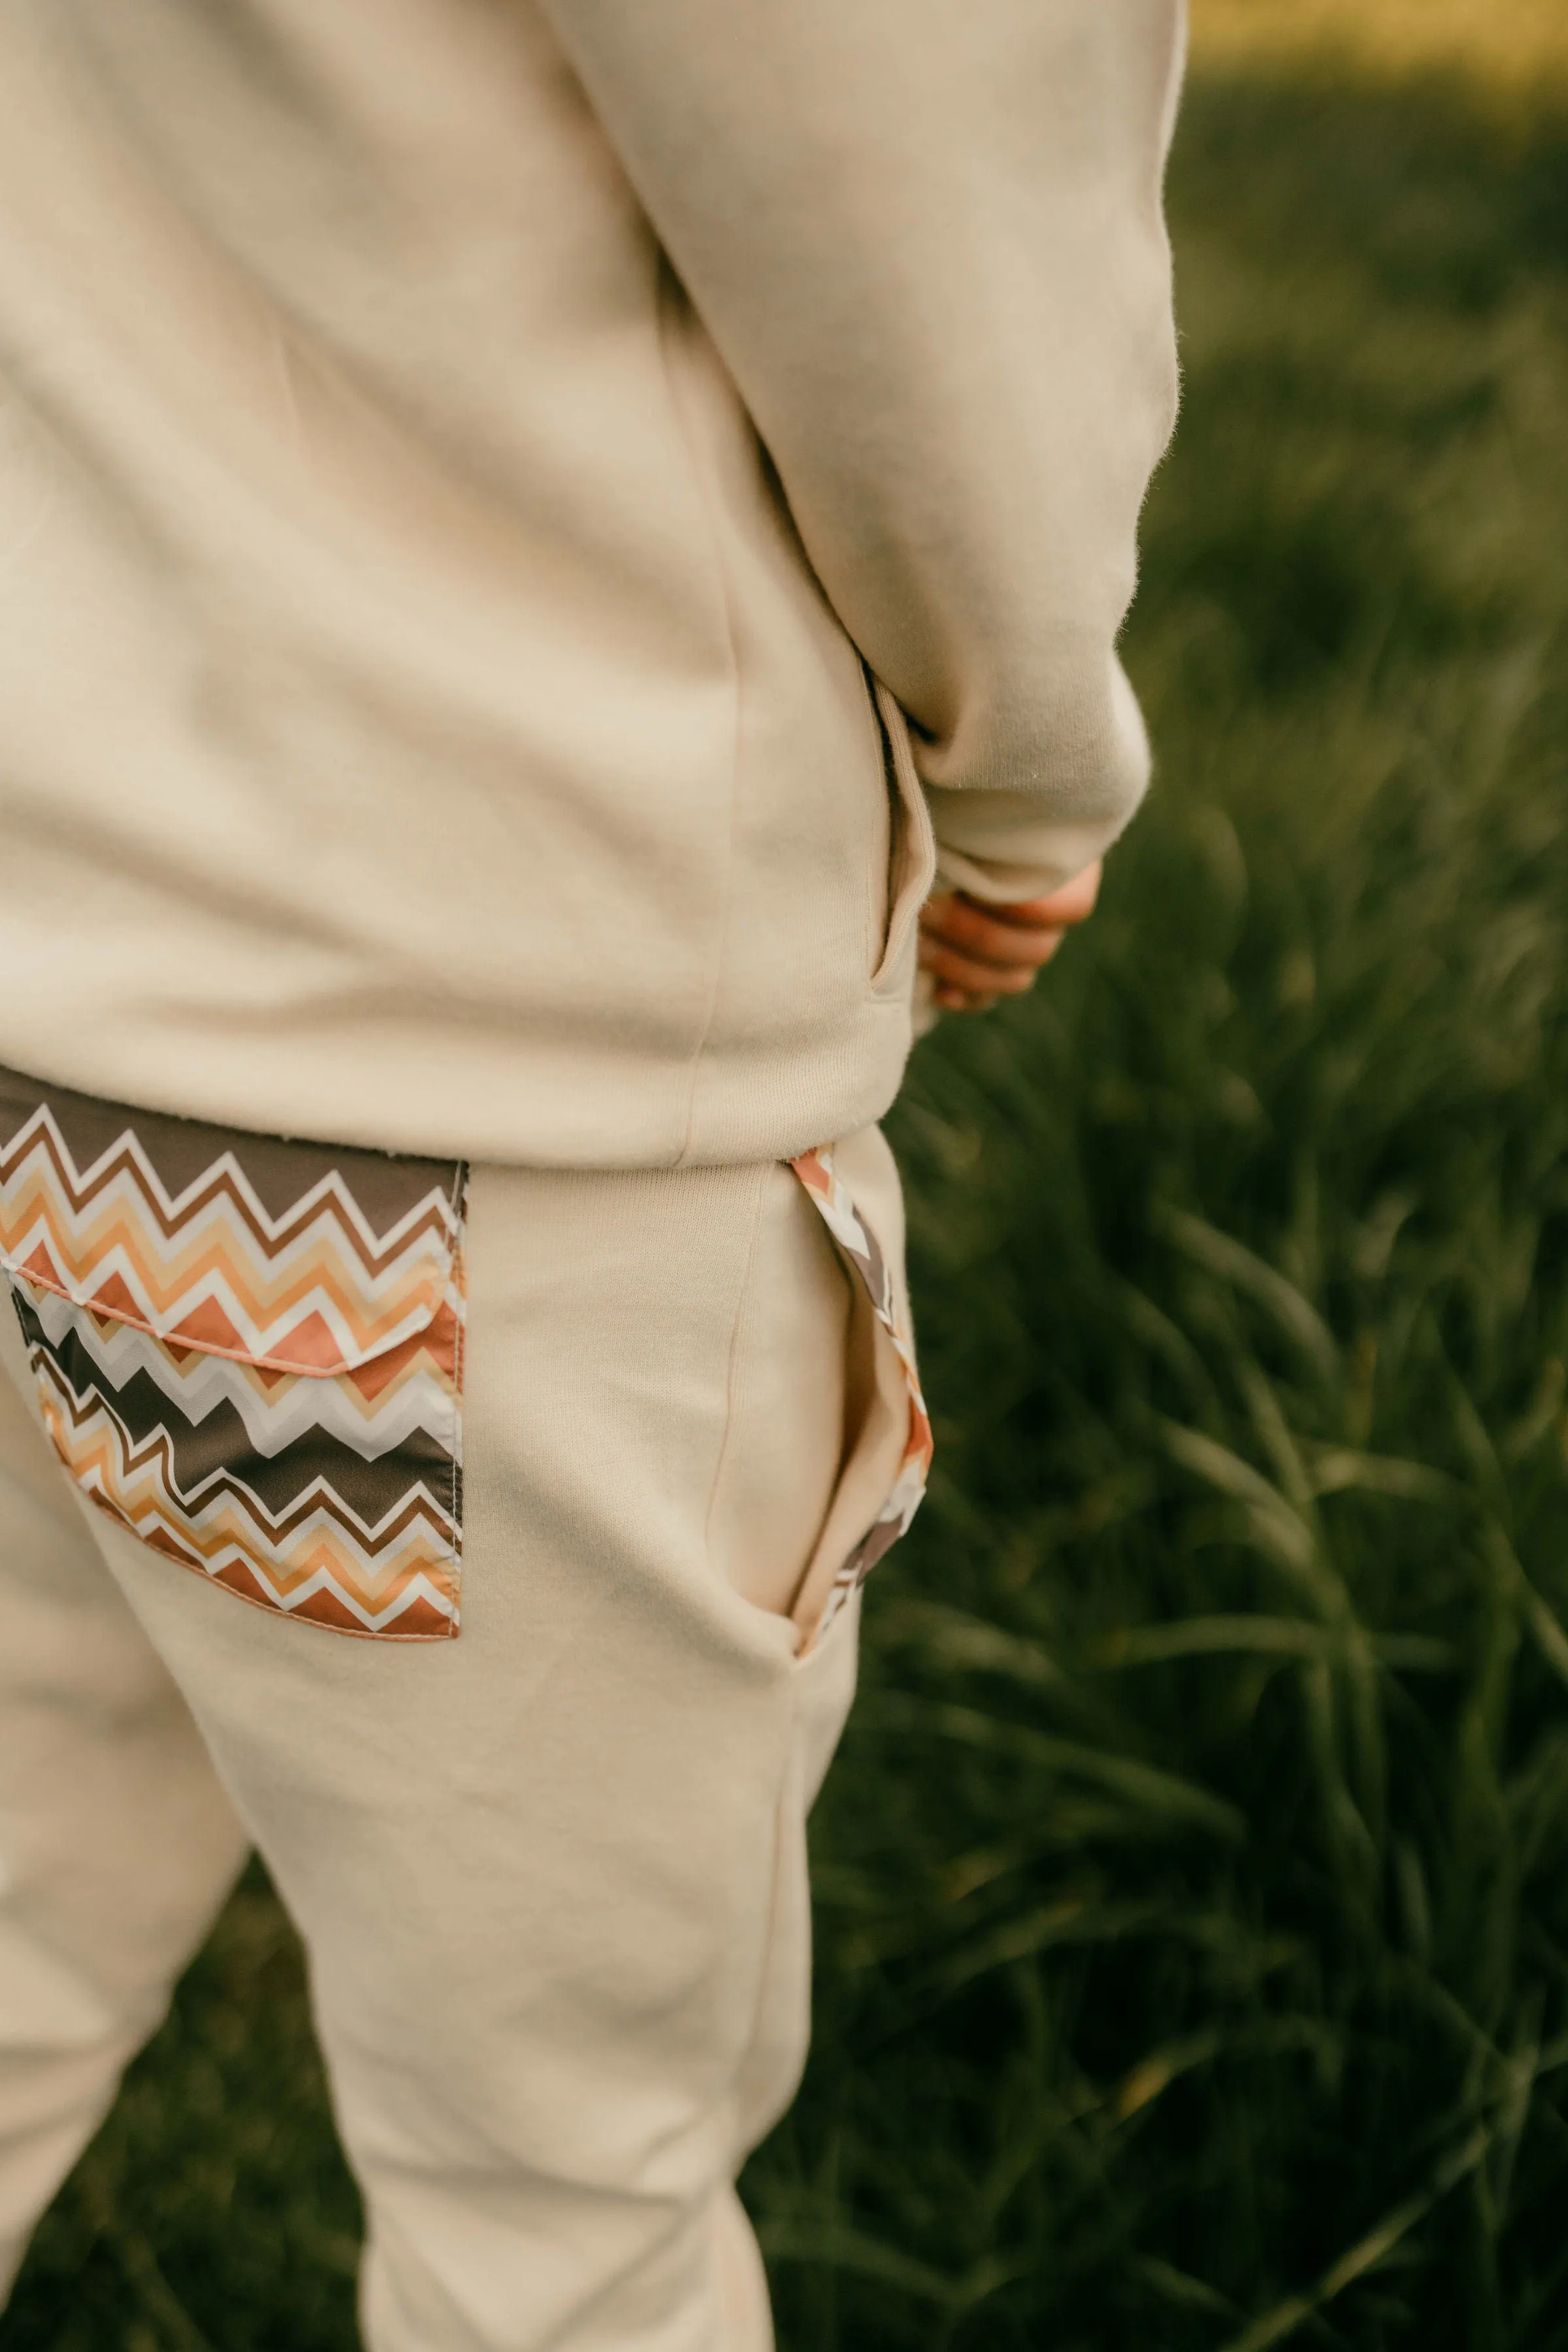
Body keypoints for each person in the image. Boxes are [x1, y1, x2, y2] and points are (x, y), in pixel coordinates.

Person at [0, 0, 1184, 2344]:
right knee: (561, 2203)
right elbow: (916, 198)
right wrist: (1031, 760)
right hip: (506, 1109)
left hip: (60, 998)